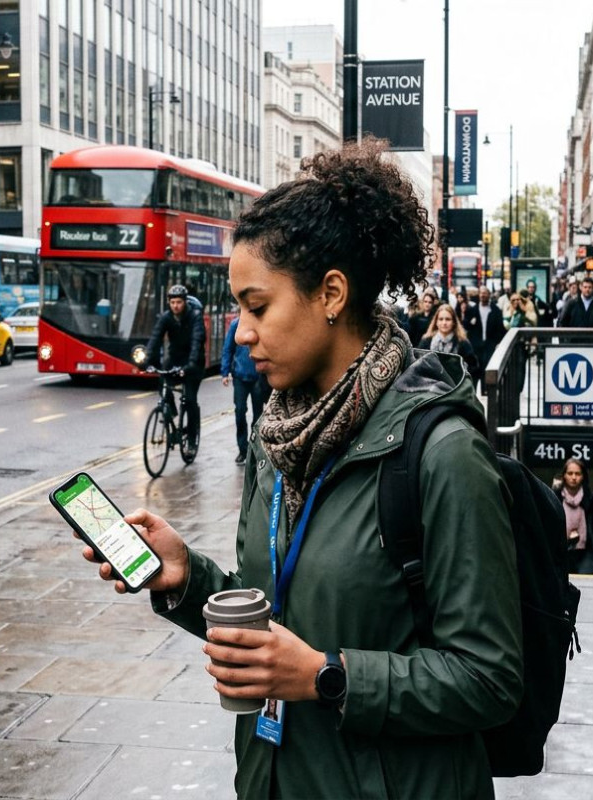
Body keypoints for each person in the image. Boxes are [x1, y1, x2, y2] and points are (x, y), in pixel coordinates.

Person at [79, 140, 522, 799]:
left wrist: (325, 676)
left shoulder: (441, 451)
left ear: (331, 294)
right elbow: (279, 617)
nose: (239, 332)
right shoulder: (277, 437)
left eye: (257, 307)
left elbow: (490, 680)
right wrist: (186, 580)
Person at [146, 284, 205, 459]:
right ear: (169, 303)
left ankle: (192, 441)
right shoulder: (166, 318)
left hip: (193, 363)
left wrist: (190, 366)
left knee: (191, 400)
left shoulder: (195, 317)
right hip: (174, 358)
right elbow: (155, 338)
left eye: (179, 302)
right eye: (172, 302)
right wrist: (148, 361)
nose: (176, 306)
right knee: (162, 379)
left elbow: (197, 341)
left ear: (184, 302)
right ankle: (170, 409)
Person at [223, 315, 271, 465]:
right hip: (239, 377)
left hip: (258, 377)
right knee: (239, 412)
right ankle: (242, 450)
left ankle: (254, 451)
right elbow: (228, 349)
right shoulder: (235, 325)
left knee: (257, 417)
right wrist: (225, 372)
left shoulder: (261, 323)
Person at [553, 458, 593, 575]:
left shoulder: (590, 498)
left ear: (583, 476)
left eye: (577, 474)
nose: (573, 477)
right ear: (564, 476)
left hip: (585, 553)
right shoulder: (555, 496)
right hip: (561, 551)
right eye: (570, 473)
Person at [421, 302, 481, 379]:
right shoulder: (426, 341)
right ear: (436, 322)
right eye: (441, 319)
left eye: (448, 319)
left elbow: (474, 368)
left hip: (455, 387)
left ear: (453, 322)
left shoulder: (462, 343)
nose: (444, 323)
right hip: (429, 385)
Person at [464, 285, 506, 368]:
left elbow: (500, 328)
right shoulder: (472, 310)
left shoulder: (496, 311)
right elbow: (466, 325)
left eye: (485, 293)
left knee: (487, 371)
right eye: (481, 293)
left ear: (489, 295)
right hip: (475, 346)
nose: (482, 295)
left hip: (490, 346)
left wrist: (497, 343)